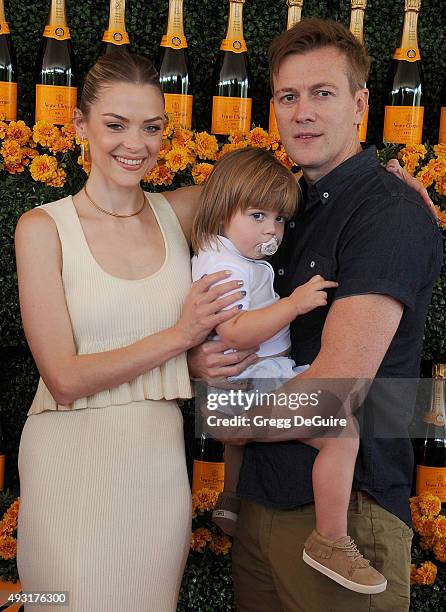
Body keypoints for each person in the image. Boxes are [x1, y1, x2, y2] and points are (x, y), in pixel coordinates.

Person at [187, 19, 443, 612]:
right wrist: (203, 356)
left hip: (344, 519)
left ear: (359, 105)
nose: (302, 111)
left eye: (322, 93)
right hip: (261, 503)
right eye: (287, 96)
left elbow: (332, 397)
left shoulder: (386, 214)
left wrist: (223, 415)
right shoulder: (284, 207)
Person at [14, 53, 245, 612]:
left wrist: (392, 197)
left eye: (152, 127)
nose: (134, 144)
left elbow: (285, 194)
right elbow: (64, 378)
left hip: (155, 468)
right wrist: (182, 339)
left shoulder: (183, 211)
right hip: (66, 464)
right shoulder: (42, 227)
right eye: (115, 125)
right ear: (79, 126)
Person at [191, 146, 388, 594]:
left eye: (279, 219)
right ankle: (331, 538)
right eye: (258, 216)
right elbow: (238, 331)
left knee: (240, 438)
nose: (271, 230)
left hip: (248, 375)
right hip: (253, 373)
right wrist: (293, 304)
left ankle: (231, 500)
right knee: (341, 433)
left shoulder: (226, 253)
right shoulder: (224, 268)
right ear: (223, 209)